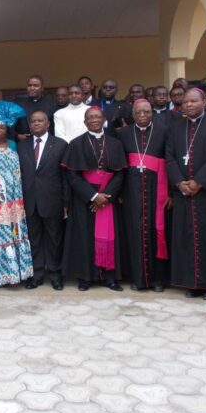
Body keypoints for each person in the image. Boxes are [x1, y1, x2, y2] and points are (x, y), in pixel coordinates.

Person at [166, 87, 206, 300]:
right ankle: (192, 282)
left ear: (203, 102)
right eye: (185, 102)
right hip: (183, 192)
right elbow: (170, 158)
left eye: (193, 101)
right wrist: (179, 183)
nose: (189, 105)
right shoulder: (175, 127)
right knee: (186, 236)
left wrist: (199, 182)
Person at [62, 107, 126, 291]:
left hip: (108, 197)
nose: (94, 120)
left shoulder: (115, 143)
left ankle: (109, 277)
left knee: (109, 237)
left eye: (97, 117)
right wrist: (93, 196)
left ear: (104, 119)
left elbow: (120, 174)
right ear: (85, 122)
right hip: (85, 199)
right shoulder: (75, 144)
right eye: (90, 117)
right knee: (84, 238)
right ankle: (85, 277)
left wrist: (106, 196)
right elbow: (72, 175)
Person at [0, 103, 33, 288]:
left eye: (2, 127)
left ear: (6, 129)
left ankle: (14, 275)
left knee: (14, 234)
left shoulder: (13, 145)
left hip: (14, 200)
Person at [120, 100, 171, 292]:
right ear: (133, 114)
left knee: (155, 231)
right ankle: (138, 278)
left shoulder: (164, 131)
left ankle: (158, 279)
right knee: (135, 232)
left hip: (157, 188)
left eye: (147, 112)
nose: (143, 115)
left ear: (152, 114)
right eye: (139, 112)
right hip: (131, 190)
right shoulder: (124, 133)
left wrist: (171, 192)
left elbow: (170, 160)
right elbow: (120, 164)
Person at [18, 110, 68, 290]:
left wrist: (65, 203)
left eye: (40, 121)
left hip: (52, 200)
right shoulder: (22, 146)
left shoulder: (61, 145)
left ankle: (55, 274)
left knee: (54, 238)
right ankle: (37, 274)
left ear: (48, 124)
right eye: (33, 121)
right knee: (34, 239)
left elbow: (65, 177)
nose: (36, 123)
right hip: (29, 200)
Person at [16, 75, 58, 139]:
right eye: (29, 85)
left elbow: (55, 126)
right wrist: (17, 135)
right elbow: (12, 126)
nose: (32, 88)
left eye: (36, 86)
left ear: (42, 88)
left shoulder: (51, 104)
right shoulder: (19, 105)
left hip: (47, 143)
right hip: (25, 143)